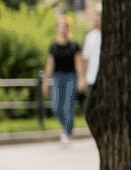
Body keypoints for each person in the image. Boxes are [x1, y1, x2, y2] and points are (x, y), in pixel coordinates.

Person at [43, 17, 85, 145]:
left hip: (71, 78)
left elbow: (79, 64)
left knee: (68, 107)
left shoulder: (74, 45)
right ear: (57, 28)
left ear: (69, 28)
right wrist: (45, 82)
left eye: (65, 25)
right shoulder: (54, 46)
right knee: (56, 107)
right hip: (57, 78)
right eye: (60, 25)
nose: (62, 28)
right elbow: (50, 65)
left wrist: (81, 79)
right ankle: (69, 127)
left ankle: (66, 132)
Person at [82, 12, 102, 91]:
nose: (96, 20)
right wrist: (83, 78)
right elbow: (85, 59)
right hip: (91, 79)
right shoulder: (90, 36)